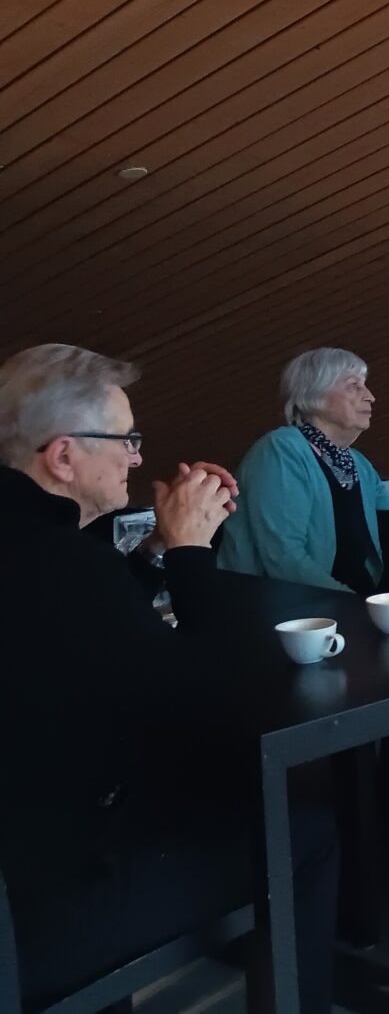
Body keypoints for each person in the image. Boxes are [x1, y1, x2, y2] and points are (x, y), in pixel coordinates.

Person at [1, 345, 338, 1013]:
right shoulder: (69, 568)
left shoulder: (37, 552)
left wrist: (154, 550)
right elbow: (223, 704)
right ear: (63, 456)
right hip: (42, 920)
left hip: (22, 863)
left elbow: (85, 619)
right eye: (125, 439)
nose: (136, 457)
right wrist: (189, 551)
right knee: (306, 833)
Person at [220, 348, 389, 605]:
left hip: (345, 607)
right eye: (354, 386)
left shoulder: (356, 463)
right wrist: (360, 609)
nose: (371, 396)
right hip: (279, 611)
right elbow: (283, 556)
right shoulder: (281, 449)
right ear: (314, 394)